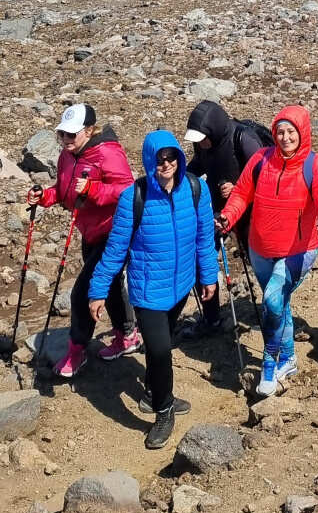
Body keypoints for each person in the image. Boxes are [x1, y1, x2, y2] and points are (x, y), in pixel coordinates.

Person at [88, 130, 218, 449]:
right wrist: (98, 289)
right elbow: (116, 250)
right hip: (147, 291)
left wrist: (208, 277)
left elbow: (203, 239)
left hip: (181, 286)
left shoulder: (195, 188)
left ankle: (151, 392)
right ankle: (163, 410)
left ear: (179, 156)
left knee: (162, 348)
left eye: (171, 156)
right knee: (159, 350)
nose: (166, 164)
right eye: (159, 159)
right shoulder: (135, 197)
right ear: (149, 160)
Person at [217, 105, 318, 396]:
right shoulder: (261, 160)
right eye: (280, 132)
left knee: (272, 301)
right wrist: (227, 218)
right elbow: (241, 195)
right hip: (259, 249)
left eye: (291, 132)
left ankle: (270, 363)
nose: (285, 138)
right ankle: (289, 359)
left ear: (302, 133)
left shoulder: (315, 164)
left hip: (298, 250)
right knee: (279, 304)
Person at [28, 102, 139, 380]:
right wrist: (44, 198)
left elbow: (128, 189)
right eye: (62, 134)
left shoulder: (107, 153)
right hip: (89, 231)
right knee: (110, 285)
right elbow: (66, 192)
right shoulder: (67, 156)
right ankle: (128, 335)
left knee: (84, 292)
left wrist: (93, 189)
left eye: (71, 134)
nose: (65, 139)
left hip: (114, 233)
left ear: (89, 131)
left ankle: (77, 350)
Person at [183, 100, 272, 334]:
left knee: (261, 264)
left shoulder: (243, 138)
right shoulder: (204, 145)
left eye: (203, 137)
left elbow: (266, 178)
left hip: (250, 211)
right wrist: (178, 179)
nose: (200, 143)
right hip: (218, 213)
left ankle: (274, 311)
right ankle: (211, 318)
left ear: (214, 128)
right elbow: (198, 166)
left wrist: (239, 188)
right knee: (201, 257)